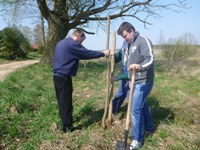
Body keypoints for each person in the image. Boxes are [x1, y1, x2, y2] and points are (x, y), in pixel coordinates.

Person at [52, 29, 110, 133]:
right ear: (78, 36)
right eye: (82, 40)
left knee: (61, 100)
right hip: (64, 77)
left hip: (56, 76)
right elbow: (87, 53)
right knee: (66, 102)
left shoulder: (62, 42)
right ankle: (67, 128)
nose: (81, 43)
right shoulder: (73, 44)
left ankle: (64, 120)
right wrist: (103, 53)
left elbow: (80, 54)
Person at [112, 22, 155, 149]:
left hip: (144, 81)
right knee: (142, 105)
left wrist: (139, 67)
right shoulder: (128, 44)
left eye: (125, 36)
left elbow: (150, 59)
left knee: (135, 109)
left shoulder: (143, 40)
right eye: (123, 37)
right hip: (134, 80)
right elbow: (126, 61)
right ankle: (149, 127)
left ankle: (137, 140)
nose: (124, 39)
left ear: (132, 30)